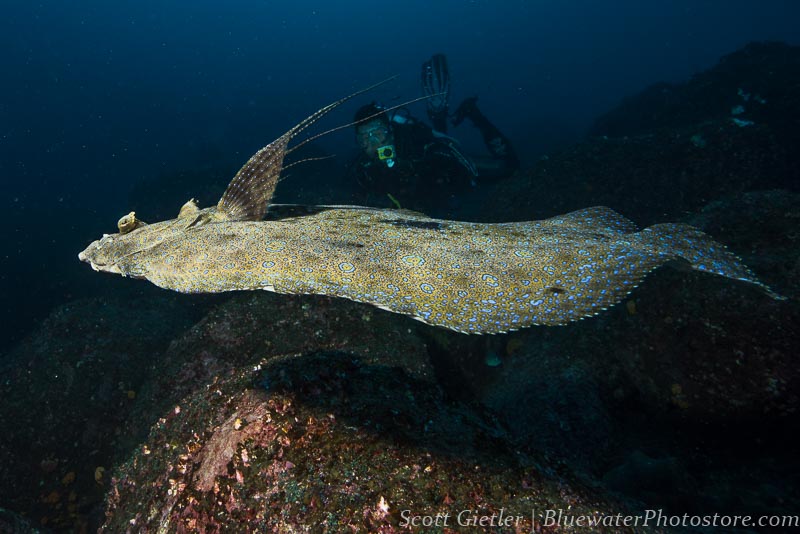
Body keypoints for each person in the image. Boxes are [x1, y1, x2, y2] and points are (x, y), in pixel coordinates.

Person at [349, 54, 519, 217]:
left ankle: (471, 114)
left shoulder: (416, 141)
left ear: (390, 131)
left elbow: (450, 167)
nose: (373, 143)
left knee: (509, 168)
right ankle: (439, 116)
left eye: (378, 133)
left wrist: (418, 171)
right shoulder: (363, 169)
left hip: (445, 177)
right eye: (364, 138)